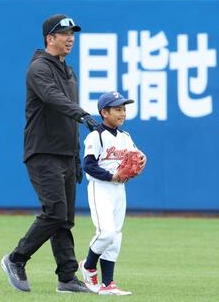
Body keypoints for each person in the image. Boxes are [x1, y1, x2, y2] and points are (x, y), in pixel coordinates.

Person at [1, 14, 98, 293]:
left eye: (73, 34)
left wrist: (77, 157)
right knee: (54, 212)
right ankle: (15, 259)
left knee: (64, 219)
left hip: (65, 154)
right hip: (43, 152)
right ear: (49, 38)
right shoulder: (38, 68)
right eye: (64, 33)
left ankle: (67, 277)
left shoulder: (68, 70)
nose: (70, 38)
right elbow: (54, 99)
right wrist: (83, 115)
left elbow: (67, 116)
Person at [78, 91, 146, 295]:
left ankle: (108, 284)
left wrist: (143, 159)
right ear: (104, 112)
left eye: (124, 109)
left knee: (115, 237)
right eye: (117, 109)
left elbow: (137, 155)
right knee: (105, 232)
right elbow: (88, 165)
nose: (122, 113)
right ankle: (89, 266)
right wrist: (112, 176)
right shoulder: (96, 136)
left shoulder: (125, 137)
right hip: (101, 188)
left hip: (119, 190)